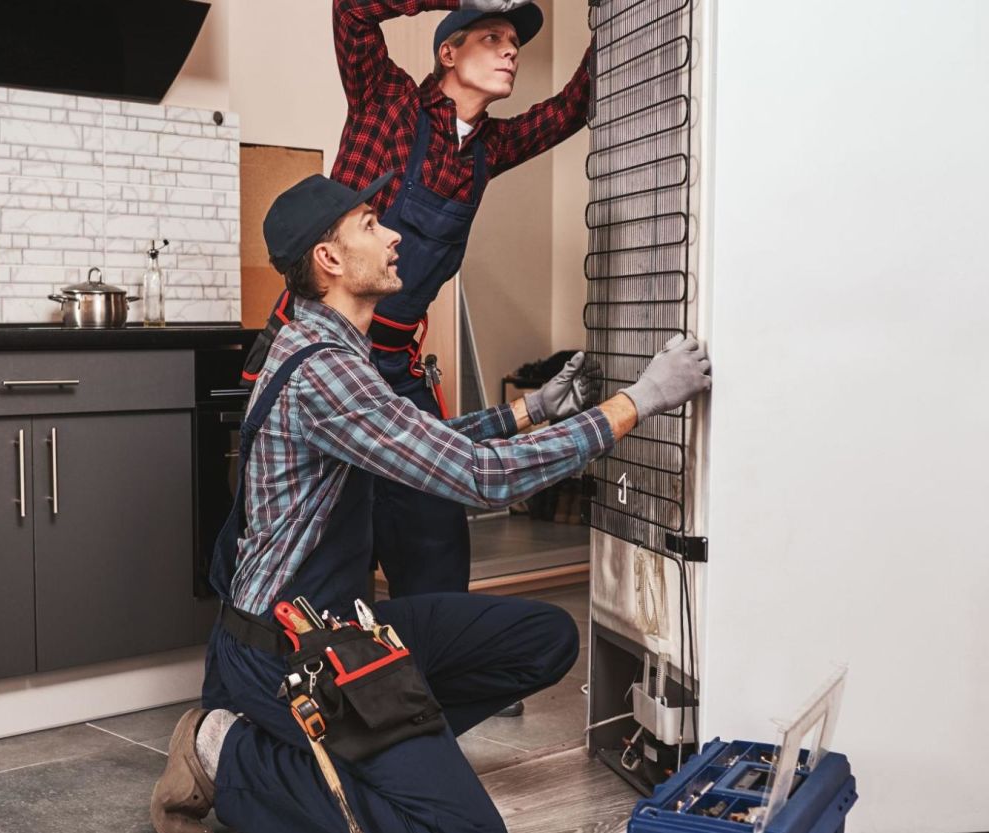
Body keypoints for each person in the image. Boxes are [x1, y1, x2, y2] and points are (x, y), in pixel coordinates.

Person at [150, 175, 711, 833]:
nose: (393, 236)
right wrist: (637, 401)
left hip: (344, 626)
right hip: (284, 653)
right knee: (458, 827)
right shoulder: (324, 371)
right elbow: (479, 477)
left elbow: (424, 446)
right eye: (369, 224)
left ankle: (383, 752)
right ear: (328, 260)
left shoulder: (329, 350)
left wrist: (530, 410)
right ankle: (229, 751)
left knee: (546, 638)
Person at [244, 0, 598, 603]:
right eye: (493, 36)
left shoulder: (489, 150)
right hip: (324, 351)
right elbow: (353, 10)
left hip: (395, 366)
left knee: (435, 528)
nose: (512, 51)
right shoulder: (389, 102)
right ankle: (324, 679)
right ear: (448, 52)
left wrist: (619, 22)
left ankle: (443, 663)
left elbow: (571, 109)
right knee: (324, 540)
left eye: (515, 42)